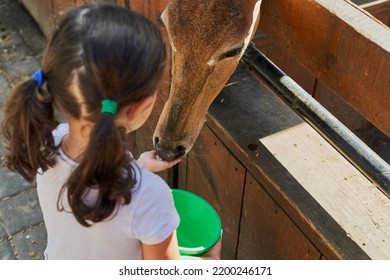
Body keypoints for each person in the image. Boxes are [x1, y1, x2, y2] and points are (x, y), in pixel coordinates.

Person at [2, 4, 221, 260]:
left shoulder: (44, 142)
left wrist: (139, 169)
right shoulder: (150, 197)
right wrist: (211, 263)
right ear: (143, 106)